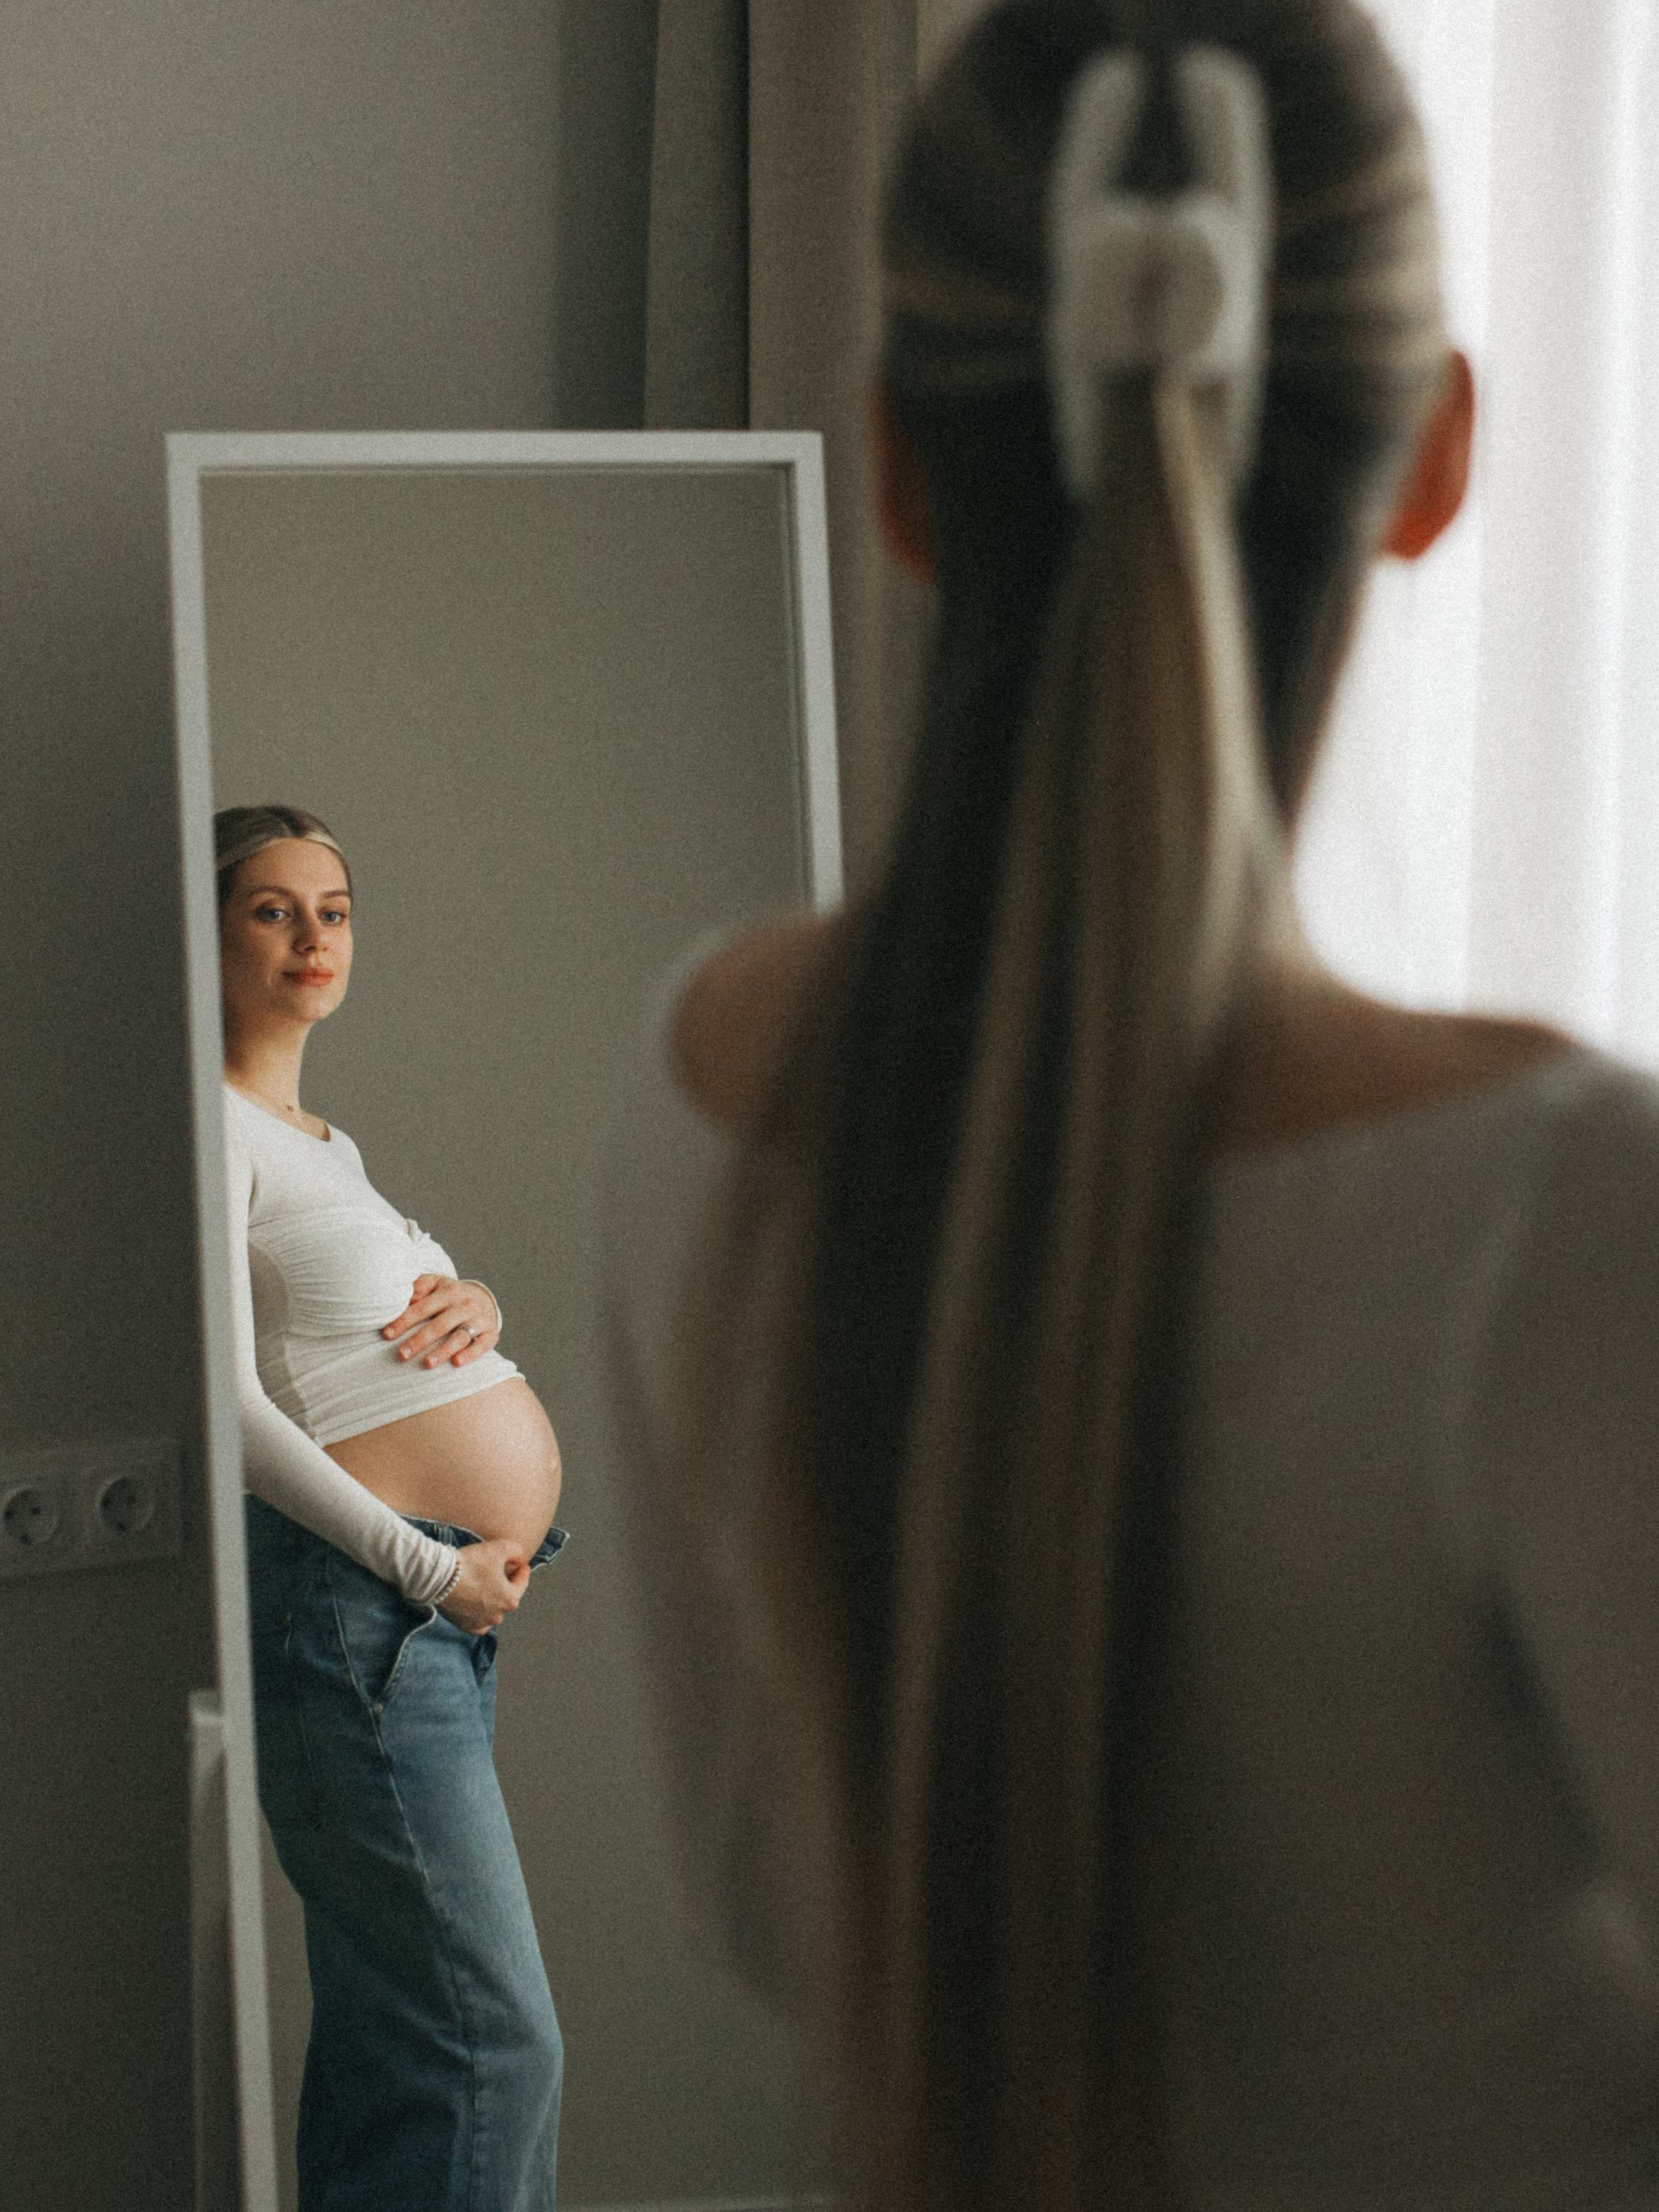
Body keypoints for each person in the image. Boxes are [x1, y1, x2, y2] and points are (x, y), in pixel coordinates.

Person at [606, 5, 1659, 2210]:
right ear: (1439, 455)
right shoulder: (1559, 1216)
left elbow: (773, 1921)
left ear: (899, 471)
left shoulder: (704, 1096)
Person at [218, 802, 564, 2212]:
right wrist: (424, 1574)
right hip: (367, 1609)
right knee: (490, 2045)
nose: (315, 935)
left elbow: (354, 1330)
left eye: (337, 910)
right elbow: (224, 1402)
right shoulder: (204, 1121)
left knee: (397, 2044)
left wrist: (477, 1301)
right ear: (205, 934)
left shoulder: (323, 1143)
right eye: (273, 908)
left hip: (415, 1621)